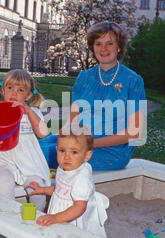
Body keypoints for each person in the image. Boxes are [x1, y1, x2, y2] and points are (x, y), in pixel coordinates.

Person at [39, 21, 146, 170]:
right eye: (98, 44)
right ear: (92, 47)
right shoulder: (84, 77)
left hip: (111, 151)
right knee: (34, 146)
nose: (103, 49)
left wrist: (89, 144)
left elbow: (135, 132)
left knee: (41, 154)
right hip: (77, 143)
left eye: (109, 43)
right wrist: (65, 138)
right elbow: (72, 121)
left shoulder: (133, 80)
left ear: (119, 46)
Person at [0, 69, 50, 211]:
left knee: (37, 190)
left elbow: (43, 133)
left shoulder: (33, 113)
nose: (14, 93)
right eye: (10, 88)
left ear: (29, 95)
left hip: (29, 163)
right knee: (5, 181)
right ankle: (8, 215)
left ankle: (36, 218)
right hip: (4, 161)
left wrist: (29, 112)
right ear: (3, 90)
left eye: (20, 90)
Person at [27, 126, 109, 238]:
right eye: (62, 151)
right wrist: (42, 189)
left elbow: (79, 207)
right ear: (56, 149)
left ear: (87, 155)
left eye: (74, 152)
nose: (66, 157)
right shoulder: (63, 168)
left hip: (73, 216)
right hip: (60, 212)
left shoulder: (81, 179)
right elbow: (60, 190)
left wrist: (56, 218)